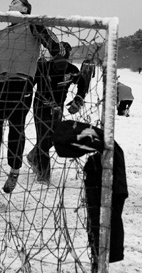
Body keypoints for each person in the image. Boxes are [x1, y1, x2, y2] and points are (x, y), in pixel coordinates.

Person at [0, 0, 61, 193]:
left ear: (25, 9)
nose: (9, 5)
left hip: (21, 83)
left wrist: (47, 38)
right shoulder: (3, 33)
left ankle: (14, 171)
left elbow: (55, 47)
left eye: (14, 3)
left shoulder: (33, 26)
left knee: (16, 126)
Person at [53, 120, 128, 269]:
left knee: (106, 219)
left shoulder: (107, 150)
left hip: (112, 183)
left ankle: (104, 257)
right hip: (108, 177)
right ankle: (100, 257)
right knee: (99, 221)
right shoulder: (104, 147)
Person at [27, 41, 89, 182]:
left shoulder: (71, 69)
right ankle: (44, 175)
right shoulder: (43, 68)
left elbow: (83, 82)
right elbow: (29, 85)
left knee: (56, 138)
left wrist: (77, 100)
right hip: (41, 107)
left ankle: (33, 155)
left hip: (57, 109)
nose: (61, 62)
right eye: (57, 58)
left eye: (64, 58)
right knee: (43, 139)